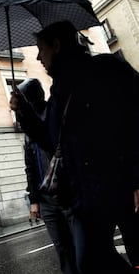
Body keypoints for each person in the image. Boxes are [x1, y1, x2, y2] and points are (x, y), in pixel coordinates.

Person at [10, 20, 139, 273]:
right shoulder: (58, 91)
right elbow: (51, 141)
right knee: (89, 262)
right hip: (84, 196)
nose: (37, 57)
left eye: (40, 49)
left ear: (56, 46)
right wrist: (24, 112)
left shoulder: (107, 69)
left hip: (123, 184)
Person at [19, 78, 78, 274]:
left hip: (67, 193)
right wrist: (34, 201)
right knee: (61, 248)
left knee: (81, 245)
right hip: (46, 200)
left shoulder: (52, 116)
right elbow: (30, 168)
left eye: (24, 97)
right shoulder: (28, 131)